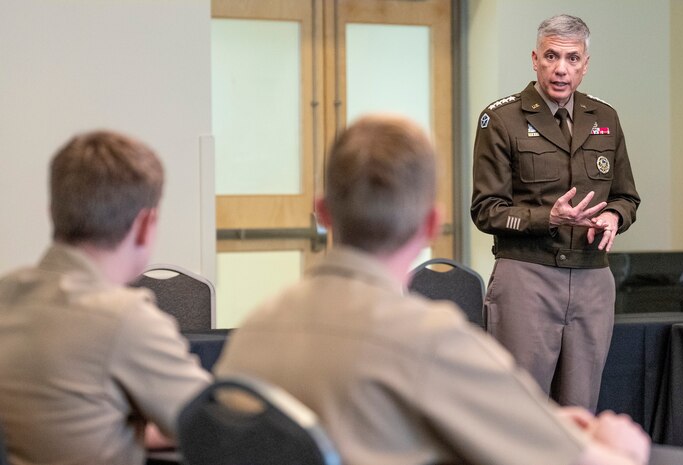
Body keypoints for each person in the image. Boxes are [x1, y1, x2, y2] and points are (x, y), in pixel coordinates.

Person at [215, 114, 649, 465]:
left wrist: (545, 421)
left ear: (323, 212)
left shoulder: (253, 332)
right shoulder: (434, 341)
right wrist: (620, 446)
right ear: (429, 224)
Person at [0, 130, 211, 465]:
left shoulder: (7, 292)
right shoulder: (124, 318)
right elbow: (218, 430)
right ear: (145, 224)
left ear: (53, 212)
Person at [471, 14, 641, 411]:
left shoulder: (605, 118)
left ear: (585, 64)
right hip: (527, 277)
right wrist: (548, 217)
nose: (561, 68)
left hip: (592, 278)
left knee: (580, 412)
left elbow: (627, 197)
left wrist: (614, 216)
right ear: (535, 59)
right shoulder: (500, 119)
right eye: (551, 56)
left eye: (571, 58)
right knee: (521, 411)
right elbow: (485, 211)